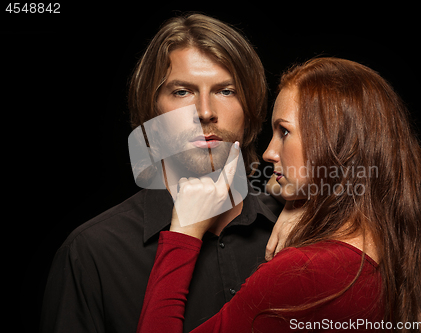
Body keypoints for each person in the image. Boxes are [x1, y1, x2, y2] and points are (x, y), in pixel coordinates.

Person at [136, 57, 421, 332]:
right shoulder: (399, 249)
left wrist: (184, 234)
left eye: (284, 132)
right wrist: (303, 205)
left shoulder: (304, 274)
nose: (268, 152)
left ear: (335, 144)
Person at [40, 13, 282, 333]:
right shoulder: (91, 253)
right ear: (151, 109)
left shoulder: (293, 226)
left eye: (226, 91)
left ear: (251, 111)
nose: (205, 112)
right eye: (182, 92)